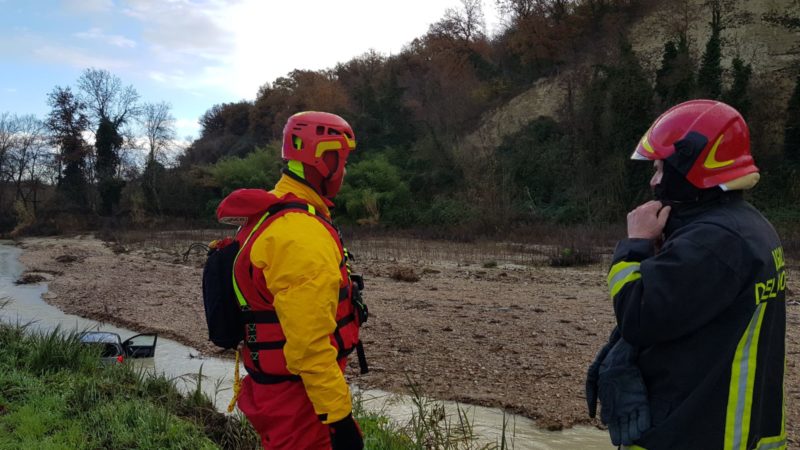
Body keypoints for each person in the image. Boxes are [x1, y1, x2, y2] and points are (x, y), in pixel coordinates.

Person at [587, 100, 786, 449]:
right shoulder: (748, 226)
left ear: (689, 167)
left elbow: (638, 317)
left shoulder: (712, 242)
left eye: (661, 168)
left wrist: (635, 246)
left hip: (693, 431)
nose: (654, 181)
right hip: (737, 430)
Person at [215, 111, 367, 450]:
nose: (344, 171)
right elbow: (310, 347)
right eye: (342, 161)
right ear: (324, 160)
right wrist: (340, 420)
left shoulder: (275, 213)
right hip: (299, 403)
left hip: (276, 391)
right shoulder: (300, 235)